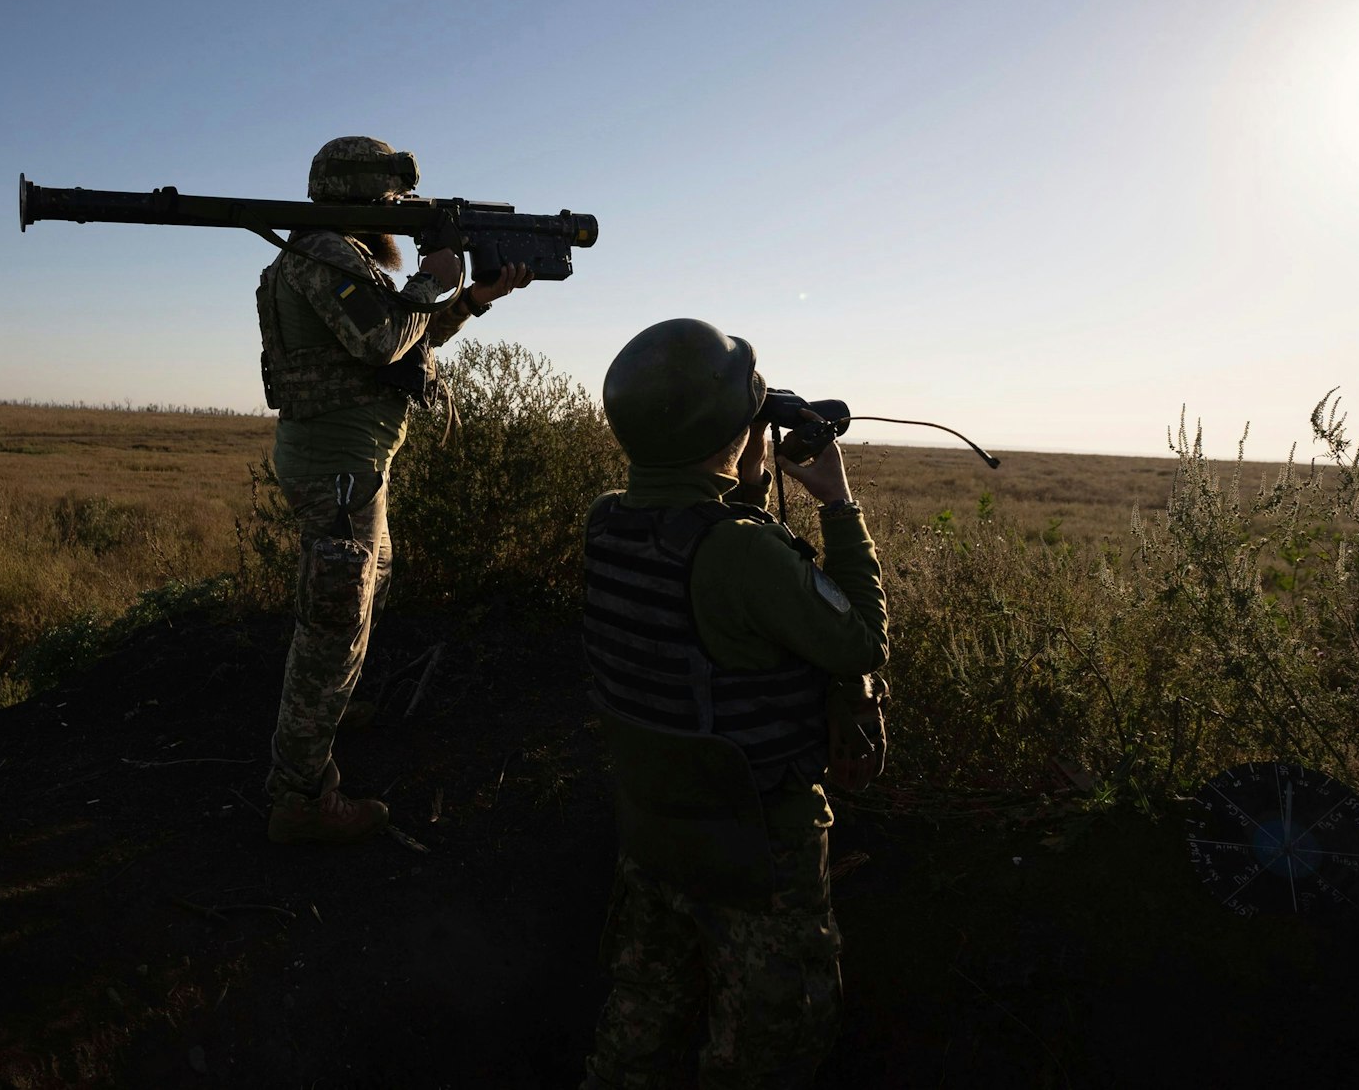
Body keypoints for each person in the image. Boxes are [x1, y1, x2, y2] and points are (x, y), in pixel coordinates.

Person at [581, 318, 890, 1088]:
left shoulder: (608, 521)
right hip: (755, 847)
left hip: (654, 831)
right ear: (733, 434)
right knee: (768, 1046)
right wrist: (838, 503)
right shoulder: (740, 548)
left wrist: (741, 473)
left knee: (637, 1031)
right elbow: (861, 641)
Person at [260, 136, 532, 844]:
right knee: (335, 624)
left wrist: (469, 298)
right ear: (361, 197)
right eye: (391, 200)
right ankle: (299, 793)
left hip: (354, 463)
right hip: (337, 467)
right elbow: (381, 341)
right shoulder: (322, 256)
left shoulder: (341, 254)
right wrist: (431, 280)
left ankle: (327, 705)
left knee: (357, 593)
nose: (399, 212)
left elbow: (404, 337)